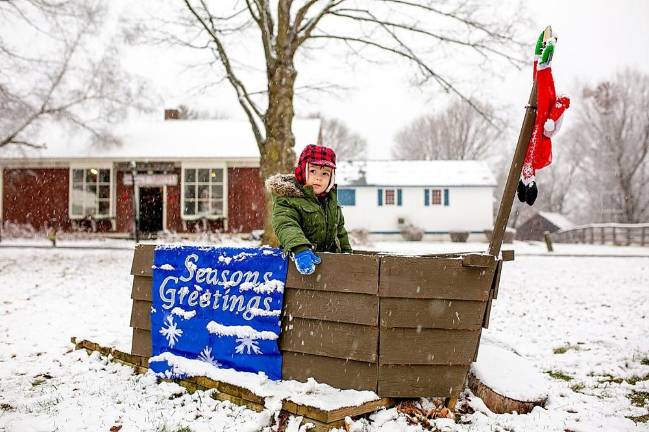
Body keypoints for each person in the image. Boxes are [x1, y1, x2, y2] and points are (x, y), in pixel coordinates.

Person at [266, 144, 352, 275]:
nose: (319, 177)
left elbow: (340, 231)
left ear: (331, 178)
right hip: (295, 266)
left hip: (328, 269)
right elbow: (286, 224)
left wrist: (347, 255)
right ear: (302, 171)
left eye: (325, 173)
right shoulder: (289, 198)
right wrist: (300, 249)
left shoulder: (331, 203)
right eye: (313, 171)